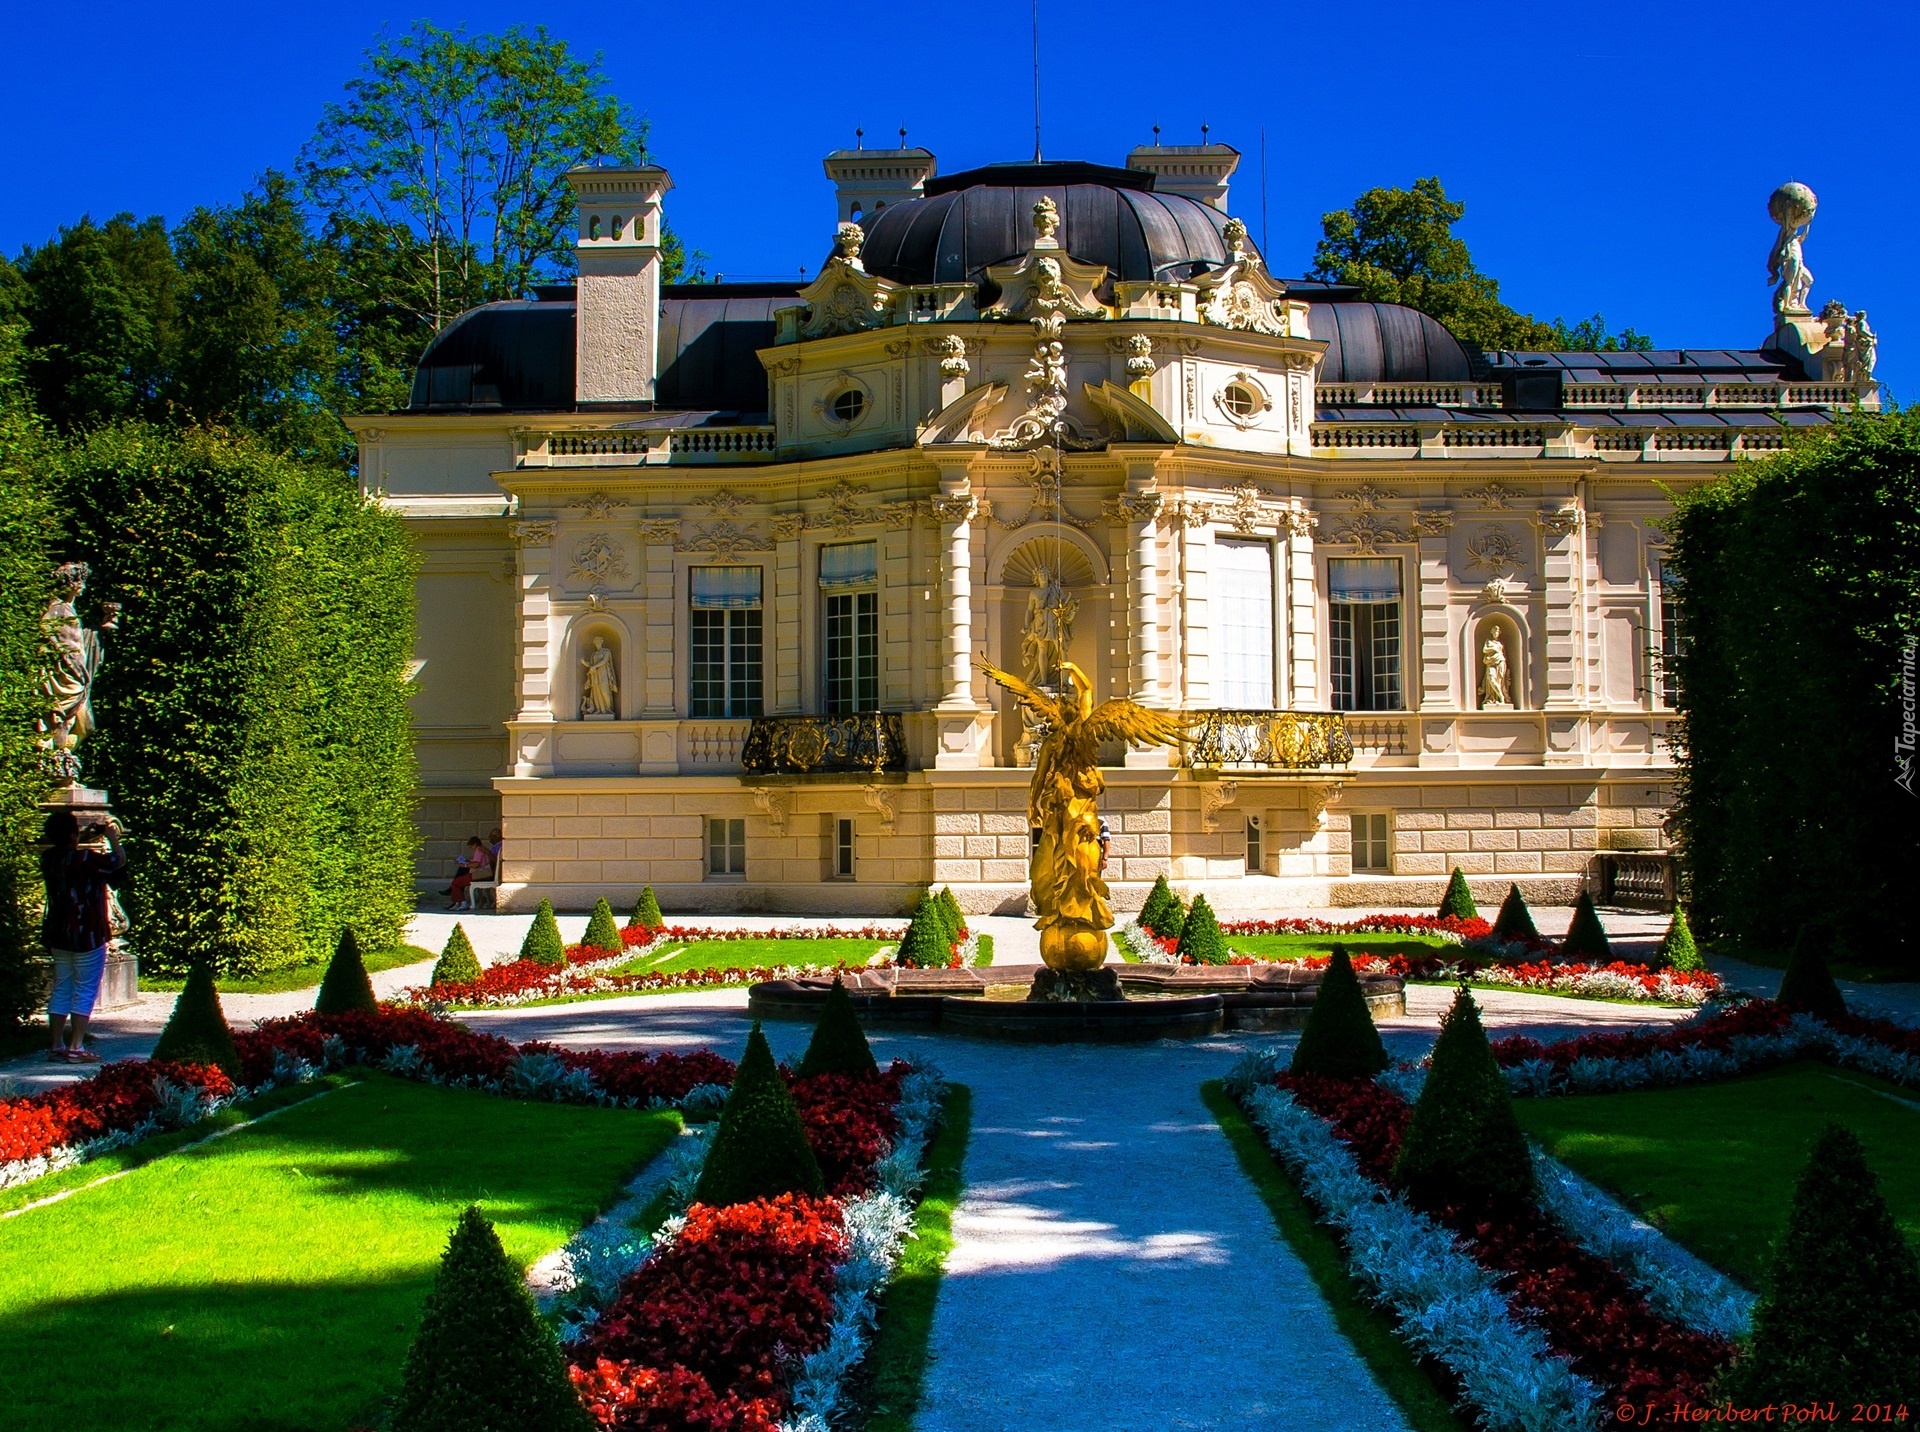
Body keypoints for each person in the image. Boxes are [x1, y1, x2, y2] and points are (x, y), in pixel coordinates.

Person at [41, 808, 126, 1063]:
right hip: (87, 932)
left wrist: (81, 838)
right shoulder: (85, 859)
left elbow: (69, 853)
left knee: (62, 988)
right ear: (71, 834)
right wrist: (111, 836)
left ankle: (56, 1045)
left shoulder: (48, 858)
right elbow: (117, 860)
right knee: (85, 989)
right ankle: (76, 1047)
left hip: (58, 934)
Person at [448, 836, 491, 910]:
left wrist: (464, 865)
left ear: (475, 844)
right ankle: (459, 902)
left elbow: (477, 864)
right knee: (457, 882)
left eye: (471, 846)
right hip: (482, 874)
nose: (472, 848)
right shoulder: (483, 849)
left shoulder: (479, 850)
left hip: (478, 874)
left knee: (455, 883)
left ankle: (462, 902)